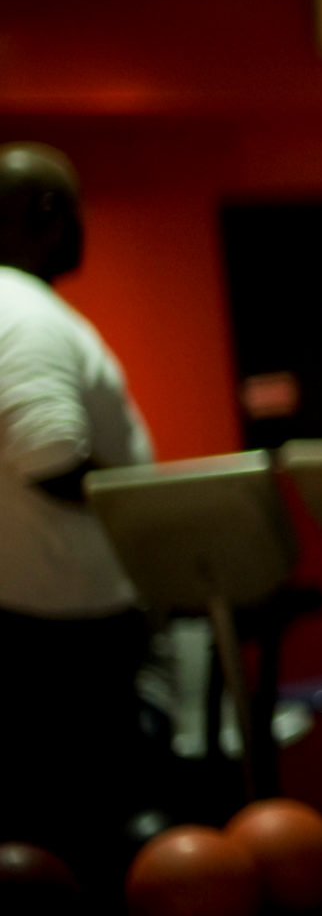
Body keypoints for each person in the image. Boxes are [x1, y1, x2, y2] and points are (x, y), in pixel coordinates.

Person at [0, 143, 155, 912]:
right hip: (63, 643)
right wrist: (159, 513)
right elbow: (51, 456)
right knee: (87, 843)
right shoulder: (25, 313)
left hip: (34, 626)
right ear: (49, 212)